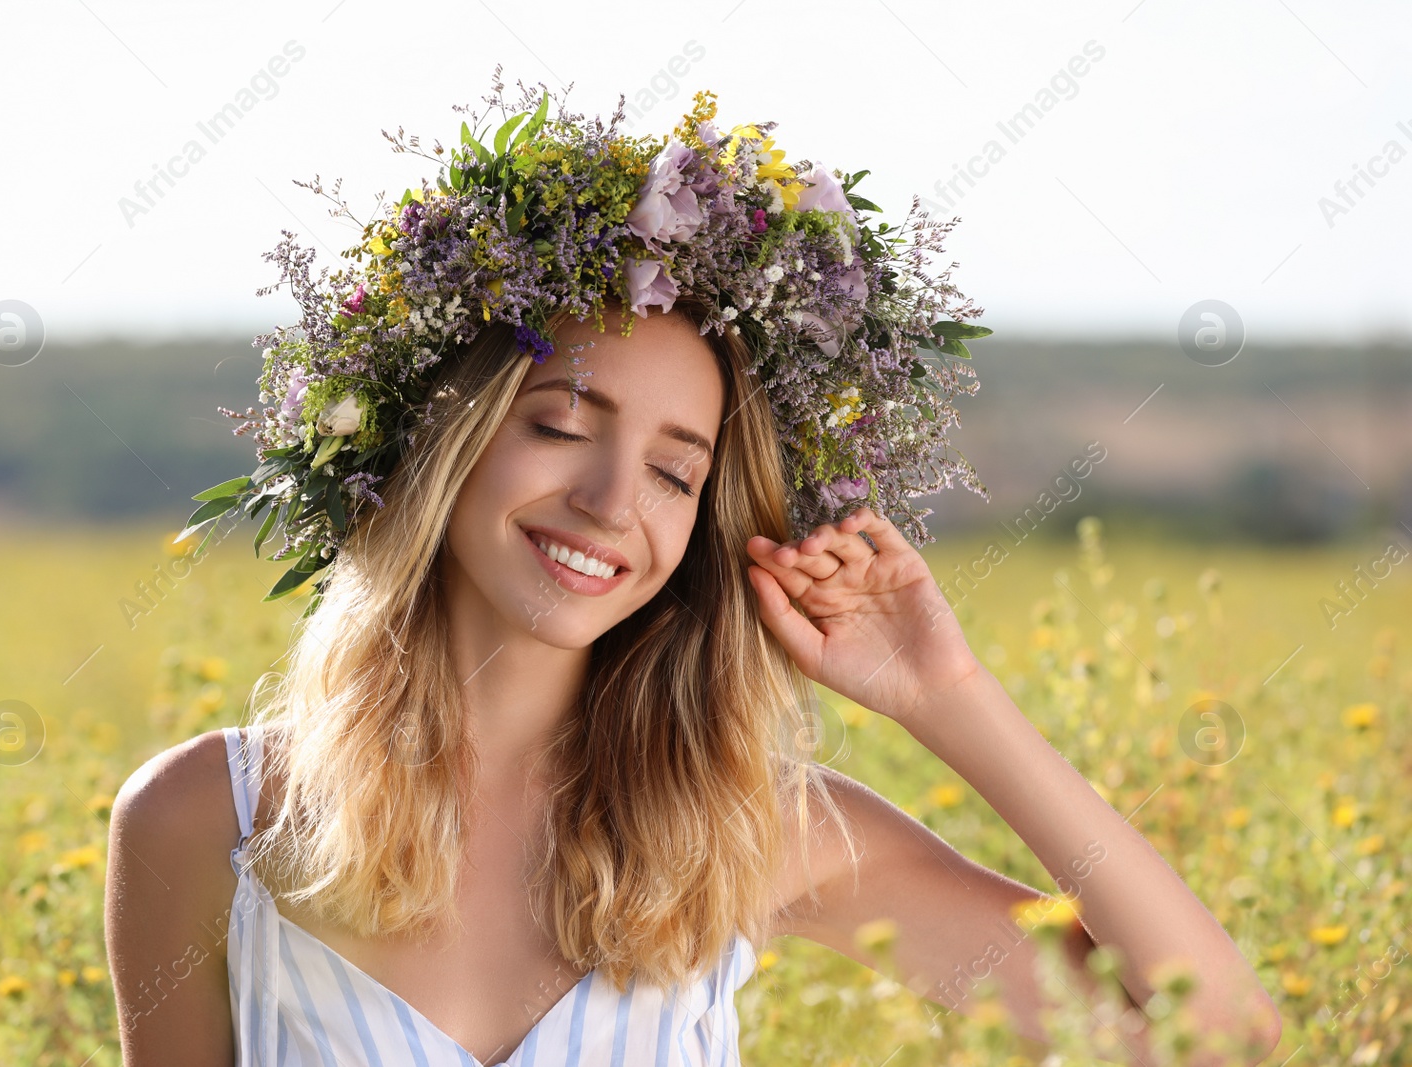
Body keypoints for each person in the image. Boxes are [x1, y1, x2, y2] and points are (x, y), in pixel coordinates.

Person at [104, 81, 1282, 1067]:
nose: (613, 502)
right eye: (563, 424)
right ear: (443, 434)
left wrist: (950, 698)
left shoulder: (746, 834)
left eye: (676, 473)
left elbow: (1216, 1037)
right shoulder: (207, 819)